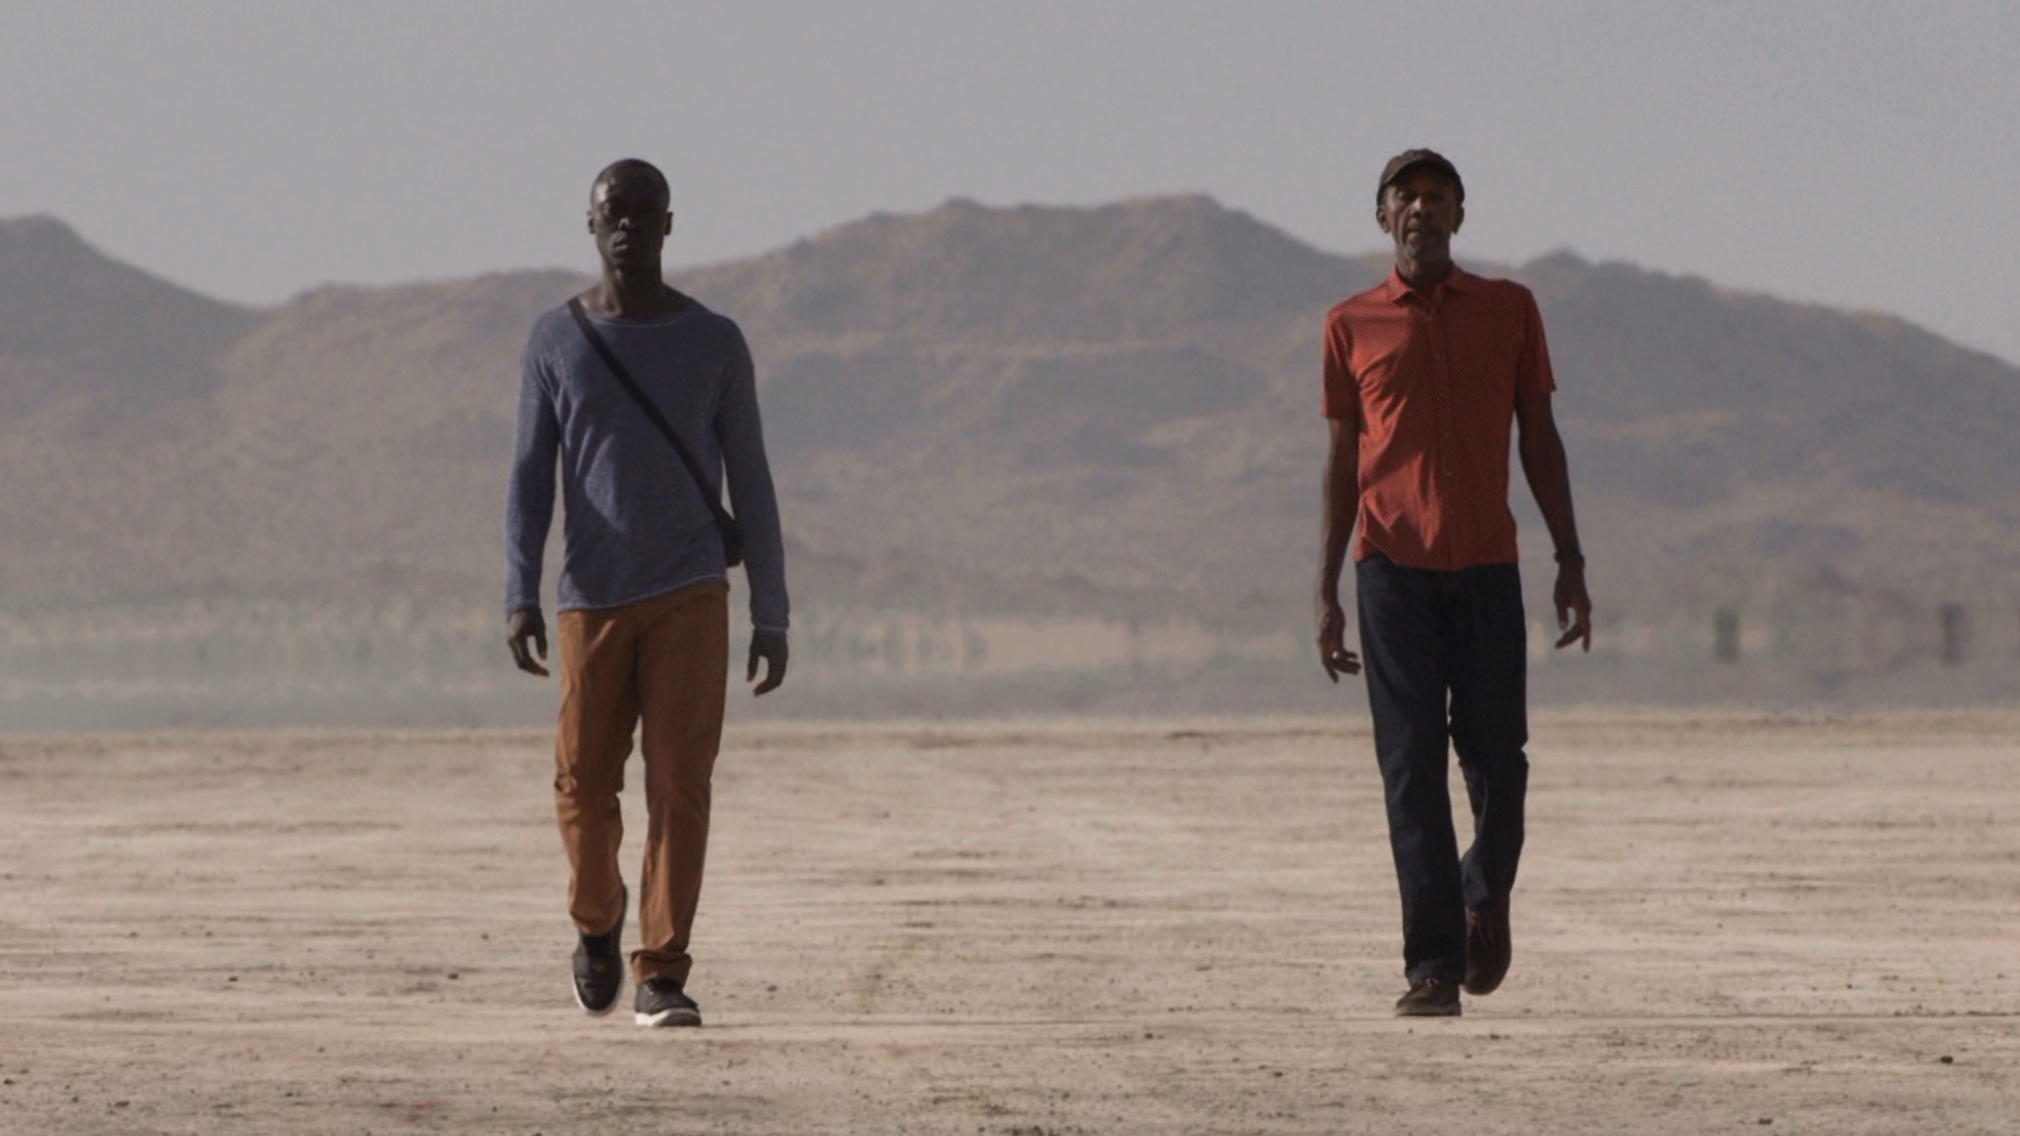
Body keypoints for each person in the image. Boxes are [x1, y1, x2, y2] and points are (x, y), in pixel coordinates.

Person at [505, 158, 789, 1028]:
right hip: (589, 595)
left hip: (691, 592)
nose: (627, 224)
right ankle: (598, 920)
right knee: (582, 780)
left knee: (680, 783)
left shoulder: (714, 343)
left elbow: (753, 478)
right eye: (612, 211)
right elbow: (528, 476)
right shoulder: (556, 342)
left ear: (670, 226)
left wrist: (771, 609)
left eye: (644, 211)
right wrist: (519, 589)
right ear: (589, 226)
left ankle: (661, 969)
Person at [1314, 149, 1591, 1017]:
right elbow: (1338, 463)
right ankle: (1434, 967)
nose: (1423, 211)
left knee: (1498, 761)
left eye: (1439, 199)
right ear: (1383, 217)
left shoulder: (1509, 310)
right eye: (1408, 198)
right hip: (1390, 570)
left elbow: (1539, 439)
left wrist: (1570, 560)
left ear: (1460, 218)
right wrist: (1325, 590)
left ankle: (1482, 894)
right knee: (1411, 770)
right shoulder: (1350, 324)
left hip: (1484, 568)